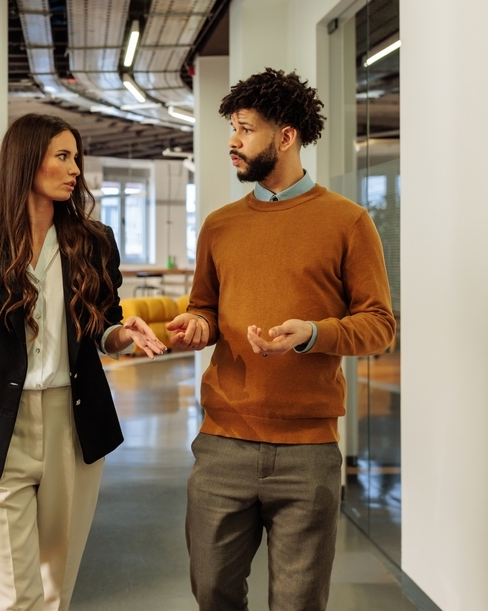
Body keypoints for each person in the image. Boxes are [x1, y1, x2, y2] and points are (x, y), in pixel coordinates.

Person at [167, 68, 396, 611]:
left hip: (308, 453)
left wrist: (313, 334)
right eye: (233, 128)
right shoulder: (219, 225)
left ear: (286, 136)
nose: (233, 141)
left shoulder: (348, 222)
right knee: (212, 591)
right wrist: (197, 325)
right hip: (223, 443)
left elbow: (379, 324)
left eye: (245, 129)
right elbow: (204, 306)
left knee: (298, 603)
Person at [0, 113, 166, 611]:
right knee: (14, 596)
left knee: (54, 591)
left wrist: (124, 335)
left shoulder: (94, 243)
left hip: (73, 427)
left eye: (76, 158)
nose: (75, 170)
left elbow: (105, 329)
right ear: (26, 163)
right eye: (63, 157)